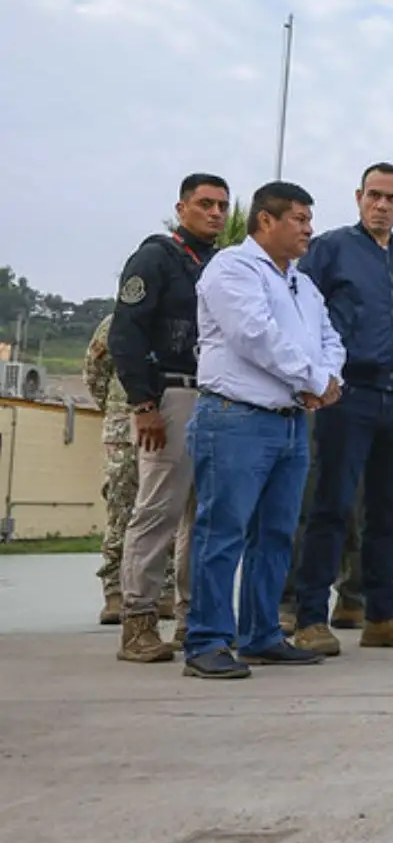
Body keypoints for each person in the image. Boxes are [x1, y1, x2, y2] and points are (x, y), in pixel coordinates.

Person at [183, 181, 343, 678]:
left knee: (275, 535)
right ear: (265, 221)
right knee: (222, 531)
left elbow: (329, 337)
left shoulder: (302, 281)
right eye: (298, 218)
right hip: (236, 418)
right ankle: (207, 640)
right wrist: (314, 378)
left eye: (309, 219)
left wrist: (330, 377)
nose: (309, 229)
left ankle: (261, 634)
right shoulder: (231, 268)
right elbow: (255, 336)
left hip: (290, 422)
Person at [290, 163, 393, 654]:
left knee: (390, 510)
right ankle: (310, 616)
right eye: (374, 195)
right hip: (346, 394)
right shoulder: (330, 249)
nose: (382, 205)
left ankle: (383, 614)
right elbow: (301, 309)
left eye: (392, 198)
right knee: (330, 506)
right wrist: (316, 377)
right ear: (357, 197)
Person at [109, 173, 229, 664]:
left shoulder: (221, 265)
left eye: (222, 205)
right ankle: (137, 621)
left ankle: (191, 620)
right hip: (171, 395)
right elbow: (126, 334)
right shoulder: (155, 257)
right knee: (158, 509)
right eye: (205, 204)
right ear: (182, 208)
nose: (216, 213)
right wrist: (144, 405)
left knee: (203, 516)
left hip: (216, 396)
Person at [83, 314, 176, 626]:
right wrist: (115, 412)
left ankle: (163, 589)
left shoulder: (176, 317)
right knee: (121, 507)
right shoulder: (114, 324)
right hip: (124, 428)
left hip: (169, 423)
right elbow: (95, 374)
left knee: (165, 507)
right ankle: (115, 590)